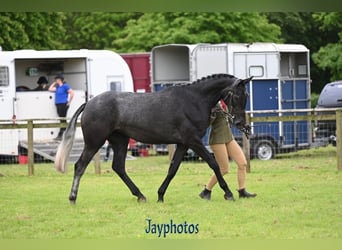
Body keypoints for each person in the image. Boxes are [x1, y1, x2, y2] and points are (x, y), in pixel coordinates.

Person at [199, 101, 256, 200]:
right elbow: (207, 122)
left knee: (242, 163)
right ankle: (206, 191)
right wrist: (212, 114)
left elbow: (231, 118)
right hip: (217, 138)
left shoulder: (225, 102)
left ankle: (242, 191)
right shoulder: (213, 103)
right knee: (224, 169)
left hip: (229, 137)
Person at [48, 74, 74, 140]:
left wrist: (69, 102)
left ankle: (62, 134)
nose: (56, 80)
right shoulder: (57, 87)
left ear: (60, 80)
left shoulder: (65, 86)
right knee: (61, 119)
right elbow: (50, 89)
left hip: (63, 104)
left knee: (63, 119)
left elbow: (72, 93)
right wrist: (54, 83)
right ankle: (65, 134)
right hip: (58, 104)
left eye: (56, 79)